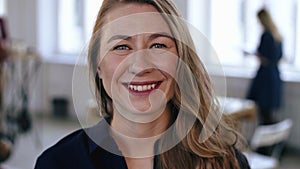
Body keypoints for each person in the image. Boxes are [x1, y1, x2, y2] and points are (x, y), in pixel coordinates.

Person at [35, 0, 250, 168]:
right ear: (98, 65)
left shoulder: (227, 163)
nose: (140, 65)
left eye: (158, 45)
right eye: (121, 47)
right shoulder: (56, 164)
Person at [246, 8, 283, 125]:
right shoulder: (277, 35)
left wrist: (252, 53)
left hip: (265, 77)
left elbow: (263, 57)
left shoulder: (266, 35)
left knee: (264, 113)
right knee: (270, 113)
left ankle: (266, 141)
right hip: (275, 75)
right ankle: (273, 140)